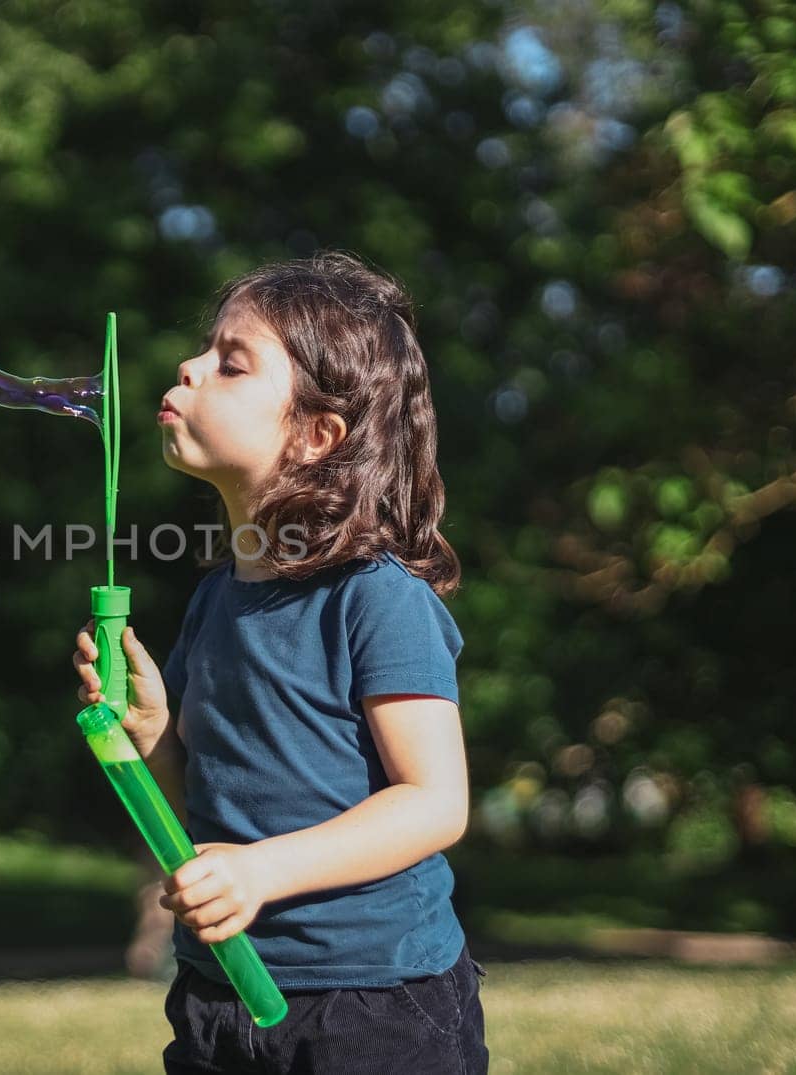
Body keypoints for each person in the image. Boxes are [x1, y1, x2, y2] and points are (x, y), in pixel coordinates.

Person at [73, 251, 489, 1073]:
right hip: (221, 987)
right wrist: (154, 737)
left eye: (230, 364)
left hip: (374, 1003)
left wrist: (264, 871)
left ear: (314, 434)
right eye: (205, 351)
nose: (188, 367)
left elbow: (436, 801)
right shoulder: (216, 598)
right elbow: (206, 807)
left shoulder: (376, 598)